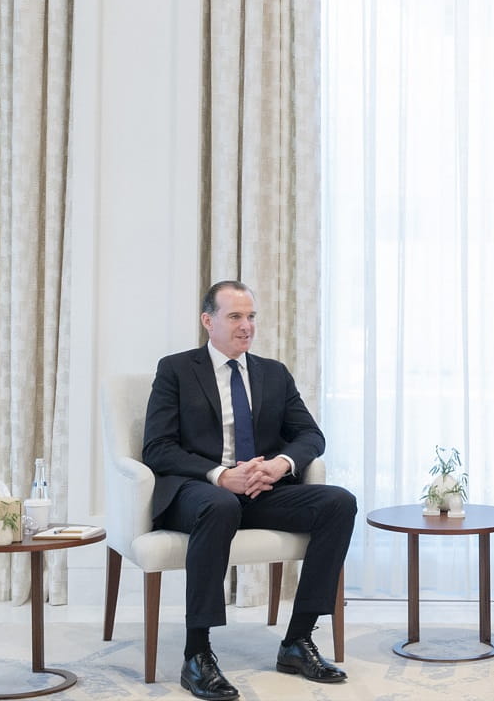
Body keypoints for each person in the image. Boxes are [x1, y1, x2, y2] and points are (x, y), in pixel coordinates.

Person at [142, 281, 357, 701]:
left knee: (338, 503)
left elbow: (311, 436)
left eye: (251, 316)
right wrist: (219, 475)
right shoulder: (176, 370)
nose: (247, 327)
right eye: (235, 317)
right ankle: (197, 654)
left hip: (260, 491)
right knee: (221, 505)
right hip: (198, 492)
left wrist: (280, 465)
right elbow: (157, 448)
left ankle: (297, 641)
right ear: (209, 321)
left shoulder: (273, 373)